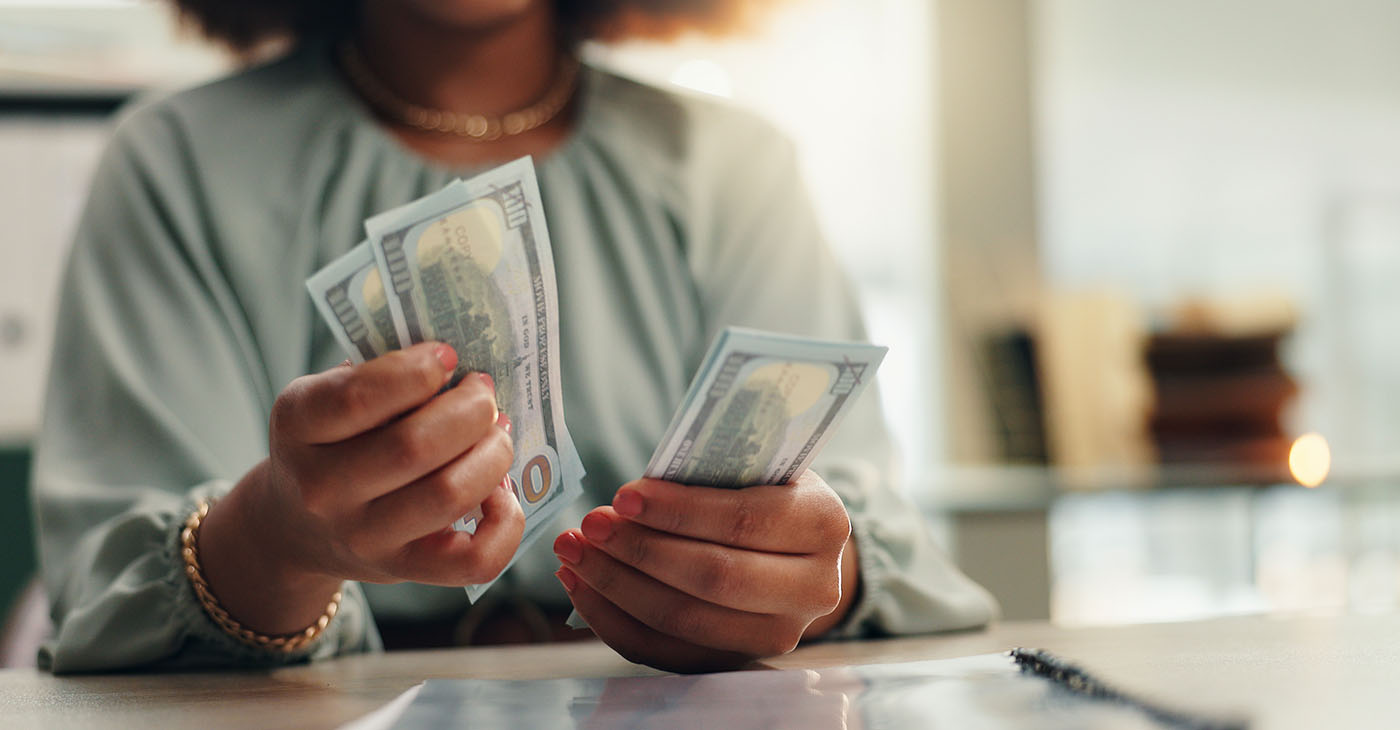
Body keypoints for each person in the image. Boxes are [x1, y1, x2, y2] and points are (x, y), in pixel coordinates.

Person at [32, 0, 997, 674]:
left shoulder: (734, 167)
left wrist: (806, 578)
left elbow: (869, 526)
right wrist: (275, 543)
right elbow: (103, 598)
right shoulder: (172, 165)